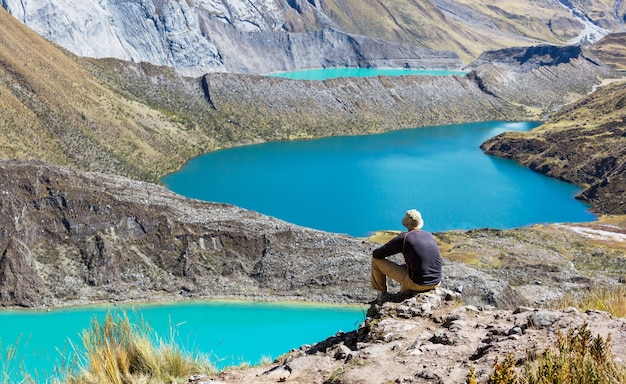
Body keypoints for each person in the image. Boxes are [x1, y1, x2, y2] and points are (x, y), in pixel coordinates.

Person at [371, 209, 442, 302]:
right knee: (408, 270)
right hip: (436, 282)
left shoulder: (404, 238)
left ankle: (381, 296)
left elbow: (377, 254)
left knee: (376, 261)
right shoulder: (429, 235)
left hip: (418, 284)